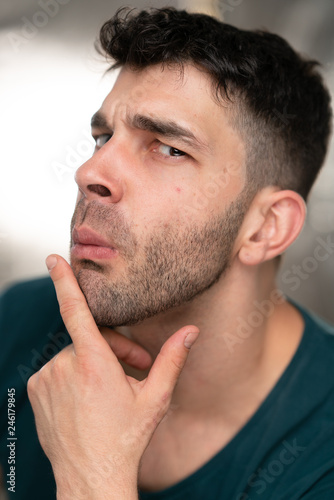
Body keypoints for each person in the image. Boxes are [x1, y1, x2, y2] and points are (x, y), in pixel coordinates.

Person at [1, 6, 333, 500]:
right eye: (103, 137)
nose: (89, 172)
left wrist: (93, 479)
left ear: (266, 227)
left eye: (169, 148)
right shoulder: (20, 322)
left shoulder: (318, 463)